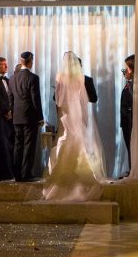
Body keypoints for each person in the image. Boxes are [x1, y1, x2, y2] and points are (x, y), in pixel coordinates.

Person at [43, 52, 108, 201]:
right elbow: (94, 98)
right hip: (79, 117)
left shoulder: (62, 79)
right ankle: (82, 176)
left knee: (66, 143)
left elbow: (57, 101)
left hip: (66, 117)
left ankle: (64, 175)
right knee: (81, 144)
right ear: (80, 65)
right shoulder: (85, 79)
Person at [11, 51, 43, 182]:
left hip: (17, 116)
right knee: (29, 146)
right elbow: (36, 99)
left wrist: (12, 112)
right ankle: (26, 174)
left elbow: (10, 98)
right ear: (30, 61)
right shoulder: (33, 78)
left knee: (18, 145)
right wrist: (40, 117)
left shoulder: (12, 78)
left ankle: (17, 174)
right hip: (29, 116)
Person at [0, 57, 15, 167]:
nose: (6, 66)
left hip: (10, 117)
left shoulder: (8, 80)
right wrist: (5, 112)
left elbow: (10, 98)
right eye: (3, 65)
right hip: (0, 117)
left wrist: (11, 111)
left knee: (10, 143)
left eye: (6, 64)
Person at [119, 55, 134, 175]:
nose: (125, 71)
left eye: (127, 68)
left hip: (130, 121)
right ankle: (131, 169)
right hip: (126, 121)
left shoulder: (133, 86)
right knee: (129, 147)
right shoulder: (129, 84)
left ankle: (133, 169)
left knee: (132, 146)